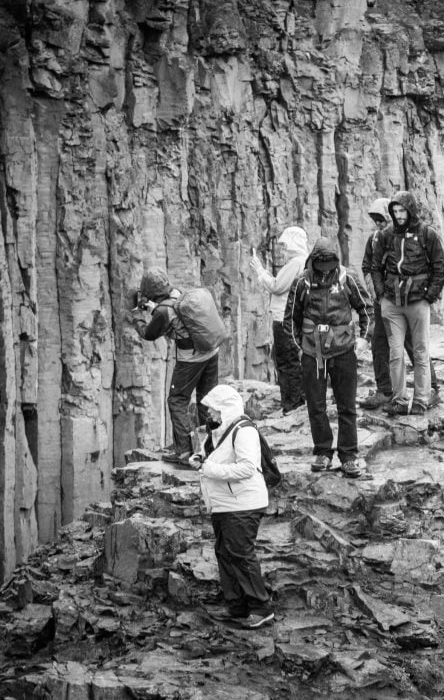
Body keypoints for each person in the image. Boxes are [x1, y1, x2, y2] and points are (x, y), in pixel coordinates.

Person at [188, 384, 275, 629]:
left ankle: (261, 607)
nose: (210, 415)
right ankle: (236, 605)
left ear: (226, 410)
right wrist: (201, 459)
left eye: (214, 411)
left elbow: (248, 467)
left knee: (240, 554)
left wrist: (208, 469)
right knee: (225, 553)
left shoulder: (244, 430)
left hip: (243, 504)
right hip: (224, 504)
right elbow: (218, 458)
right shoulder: (218, 431)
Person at [286, 238, 369, 474]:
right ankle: (322, 452)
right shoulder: (302, 282)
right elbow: (291, 318)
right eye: (320, 261)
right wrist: (301, 347)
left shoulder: (346, 278)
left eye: (329, 261)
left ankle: (349, 454)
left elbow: (366, 308)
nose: (325, 267)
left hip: (343, 349)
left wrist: (364, 338)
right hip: (313, 351)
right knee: (316, 404)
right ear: (312, 260)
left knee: (347, 405)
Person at [370, 191, 444, 416]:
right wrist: (381, 295)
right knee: (395, 353)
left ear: (410, 209)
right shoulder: (386, 235)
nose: (399, 215)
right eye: (395, 211)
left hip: (417, 301)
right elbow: (375, 266)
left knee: (421, 351)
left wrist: (429, 297)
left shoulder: (427, 234)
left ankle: (421, 399)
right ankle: (400, 399)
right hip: (392, 302)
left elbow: (439, 268)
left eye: (402, 210)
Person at [132, 268, 219, 465]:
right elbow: (169, 311)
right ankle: (210, 448)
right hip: (211, 351)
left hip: (191, 358)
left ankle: (185, 452)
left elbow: (148, 333)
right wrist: (152, 308)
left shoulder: (163, 311)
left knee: (177, 400)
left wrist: (137, 316)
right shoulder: (177, 294)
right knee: (206, 400)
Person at [250, 225, 308, 414]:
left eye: (285, 244)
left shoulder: (295, 263)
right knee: (292, 359)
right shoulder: (305, 261)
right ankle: (298, 399)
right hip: (294, 318)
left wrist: (260, 271)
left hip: (284, 318)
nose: (283, 249)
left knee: (285, 361)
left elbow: (277, 286)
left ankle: (291, 404)